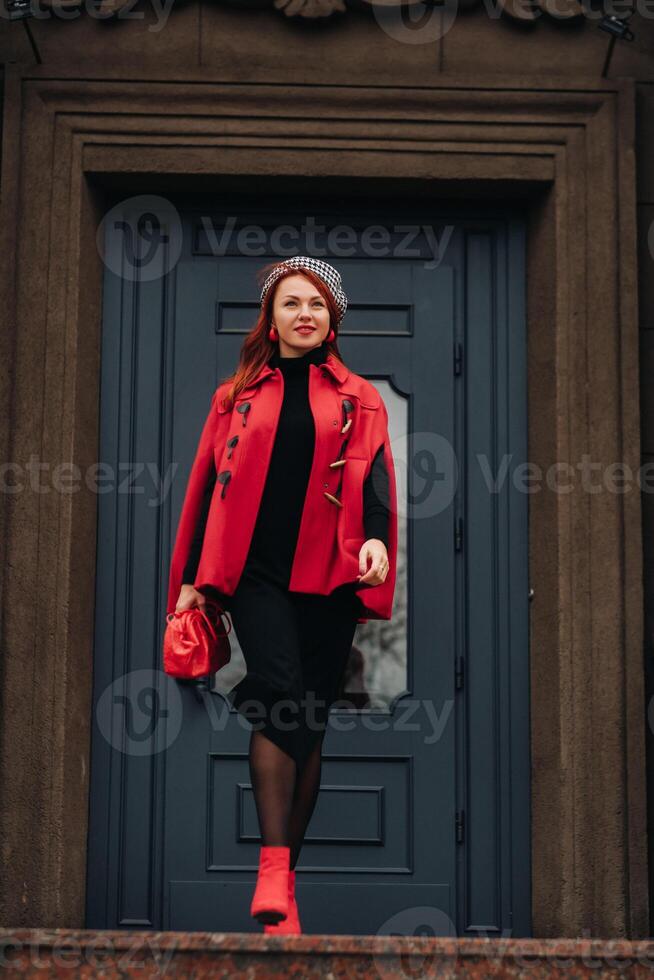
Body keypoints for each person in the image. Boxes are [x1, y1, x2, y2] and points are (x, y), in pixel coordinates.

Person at [168, 255, 397, 934]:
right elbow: (207, 490)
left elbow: (376, 477)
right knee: (279, 686)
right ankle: (271, 866)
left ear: (332, 321)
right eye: (291, 303)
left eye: (317, 305)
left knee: (309, 717)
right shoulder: (233, 395)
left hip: (331, 572)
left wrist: (378, 540)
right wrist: (191, 580)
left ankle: (283, 892)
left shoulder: (360, 395)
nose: (303, 314)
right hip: (256, 573)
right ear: (270, 317)